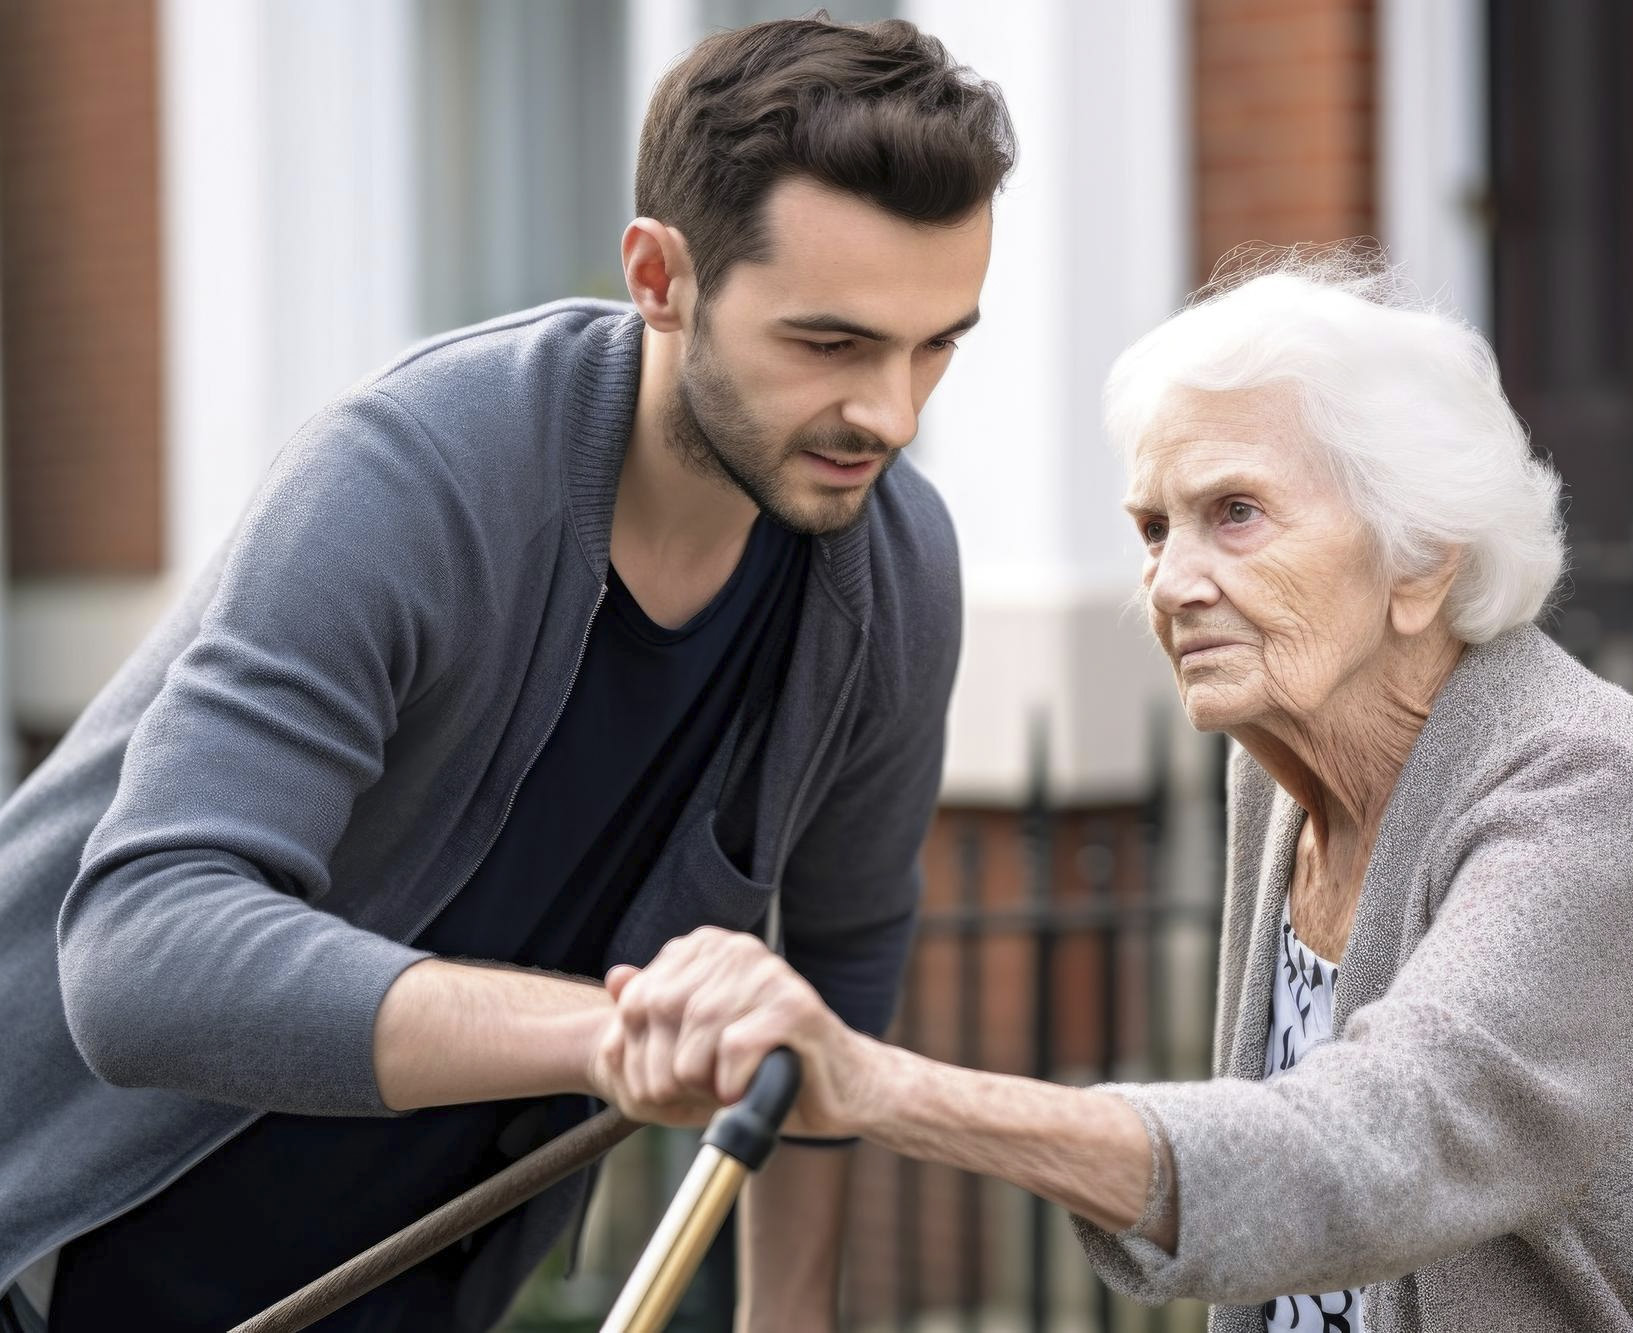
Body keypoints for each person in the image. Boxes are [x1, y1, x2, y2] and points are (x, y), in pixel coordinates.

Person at [592, 254, 1633, 1332]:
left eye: (1239, 515)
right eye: (1156, 528)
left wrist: (883, 1088)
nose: (1171, 583)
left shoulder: (1582, 796)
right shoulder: (1277, 776)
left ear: (1420, 561)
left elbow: (1362, 1149)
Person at [0, 15, 1011, 1331]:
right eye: (831, 344)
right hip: (50, 1253)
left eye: (936, 344)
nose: (893, 412)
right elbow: (140, 949)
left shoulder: (891, 581)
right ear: (660, 277)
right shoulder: (409, 475)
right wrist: (614, 1034)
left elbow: (833, 993)